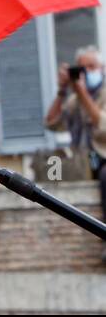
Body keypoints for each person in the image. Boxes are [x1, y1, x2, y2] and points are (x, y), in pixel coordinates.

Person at [45, 44, 106, 259]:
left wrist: (81, 92)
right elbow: (51, 123)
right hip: (80, 159)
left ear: (101, 67)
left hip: (102, 159)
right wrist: (62, 90)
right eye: (82, 68)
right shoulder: (73, 101)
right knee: (51, 167)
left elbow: (102, 125)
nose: (87, 73)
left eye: (92, 67)